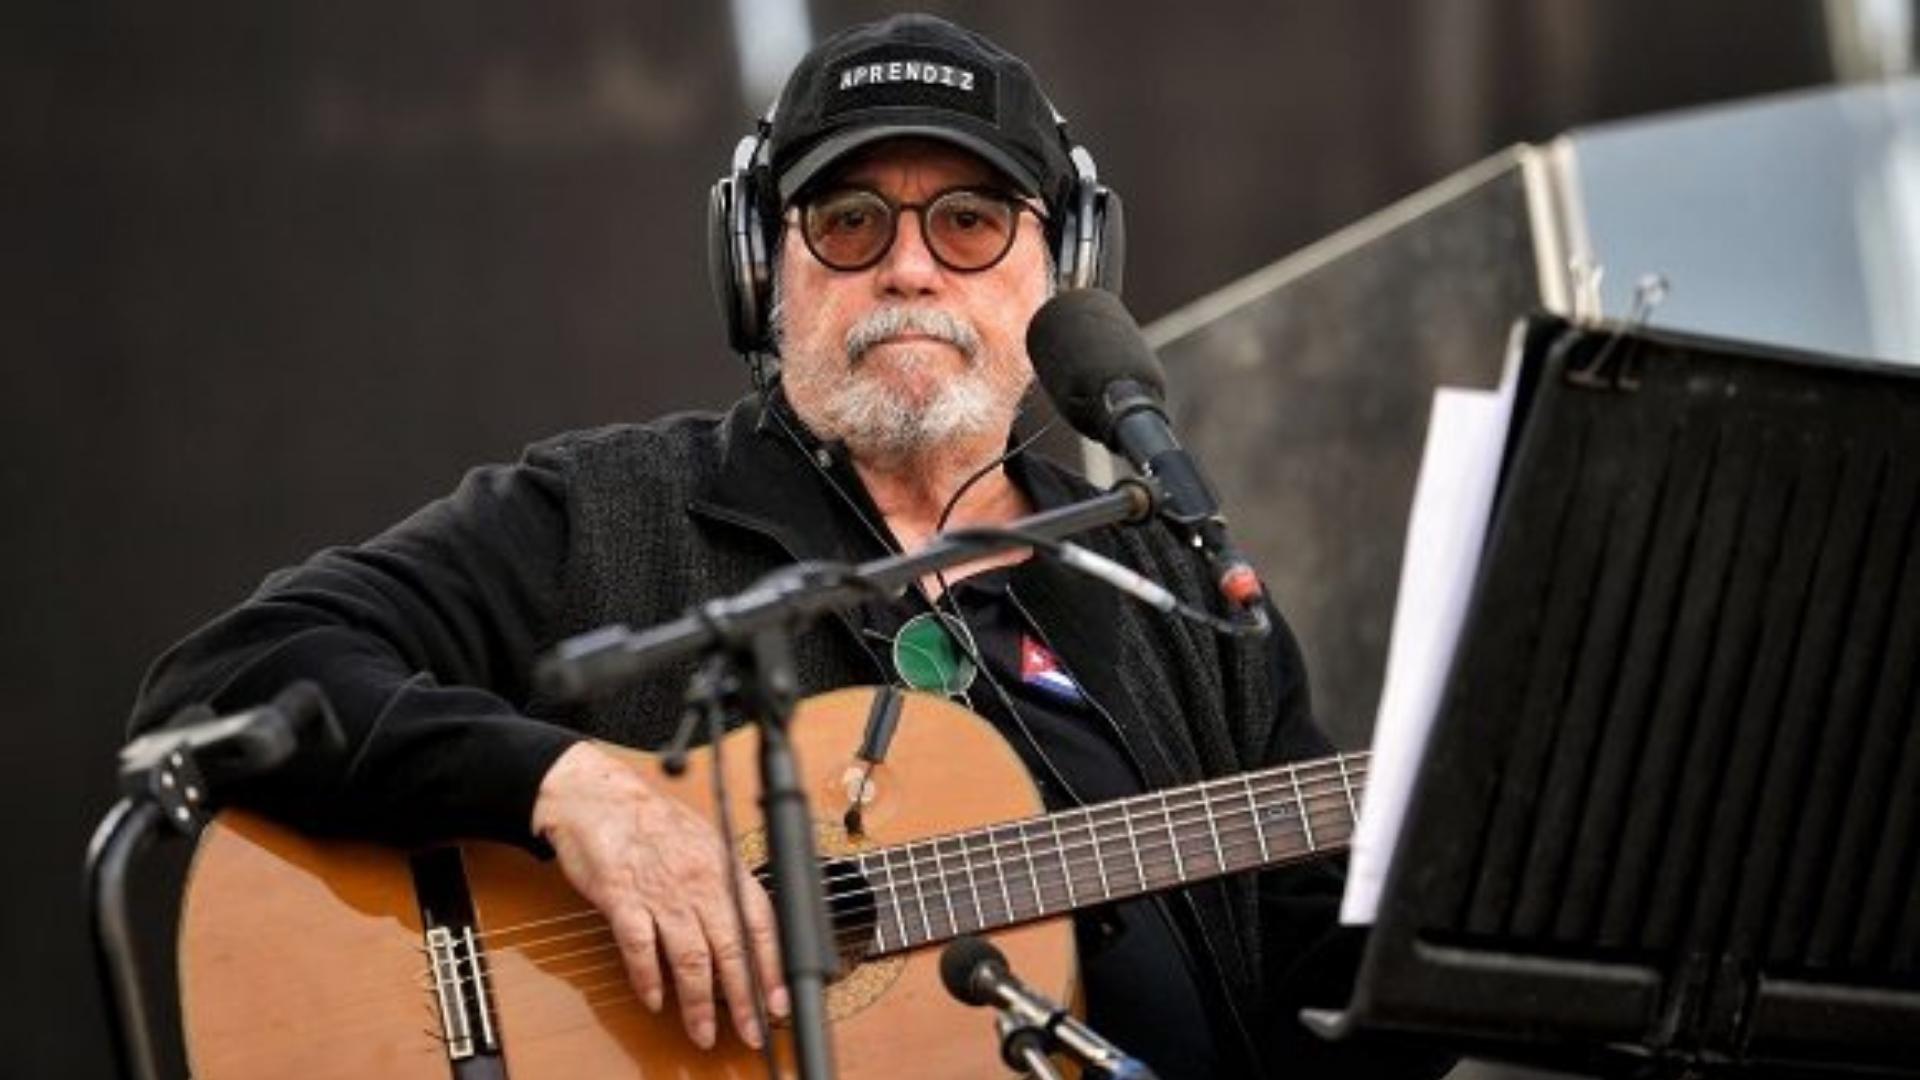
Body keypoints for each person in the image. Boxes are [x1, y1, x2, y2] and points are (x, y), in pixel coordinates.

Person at [131, 13, 1436, 1078]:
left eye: (972, 221)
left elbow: (1316, 1018)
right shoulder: (607, 513)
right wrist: (570, 789)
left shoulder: (1179, 593)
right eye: (850, 221)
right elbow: (229, 677)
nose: (910, 269)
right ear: (763, 269)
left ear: (1064, 271)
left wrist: (1485, 914)